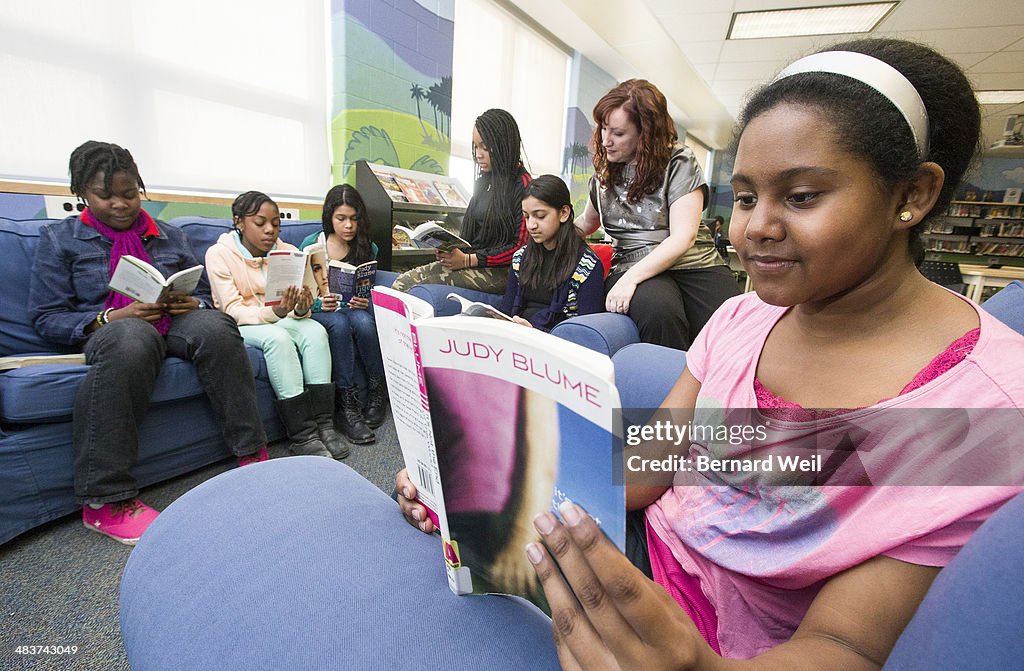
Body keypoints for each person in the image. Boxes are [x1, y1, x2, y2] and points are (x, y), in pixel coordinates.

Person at [399, 39, 1024, 667]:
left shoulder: (984, 412)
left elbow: (846, 644)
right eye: (747, 197)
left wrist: (702, 666)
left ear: (912, 194)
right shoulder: (740, 318)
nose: (754, 228)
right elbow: (648, 465)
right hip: (644, 549)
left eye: (802, 196)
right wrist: (473, 488)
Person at [28, 141, 269, 545]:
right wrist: (109, 317)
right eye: (105, 196)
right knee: (133, 337)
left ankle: (252, 454)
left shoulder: (170, 235)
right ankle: (106, 501)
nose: (120, 205)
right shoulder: (60, 239)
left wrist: (196, 302)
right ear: (82, 193)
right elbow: (47, 318)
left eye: (129, 194)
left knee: (217, 327)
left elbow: (206, 294)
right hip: (112, 327)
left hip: (173, 320)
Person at [577, 79, 739, 350]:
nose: (606, 140)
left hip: (693, 262)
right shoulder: (604, 172)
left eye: (617, 133)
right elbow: (587, 223)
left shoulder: (678, 161)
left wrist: (630, 281)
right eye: (604, 128)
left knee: (733, 323)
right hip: (631, 260)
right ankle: (670, 387)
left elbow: (683, 238)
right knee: (660, 313)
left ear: (646, 134)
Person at [206, 191, 346, 460]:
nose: (270, 230)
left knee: (316, 332)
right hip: (244, 322)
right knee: (277, 339)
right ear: (239, 222)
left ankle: (325, 426)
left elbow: (300, 313)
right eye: (260, 223)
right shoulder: (219, 254)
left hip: (281, 317)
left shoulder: (290, 253)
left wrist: (303, 305)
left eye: (276, 223)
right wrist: (275, 312)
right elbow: (232, 310)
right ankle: (303, 436)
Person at [392, 108, 531, 295]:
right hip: (474, 262)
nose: (479, 154)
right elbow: (472, 237)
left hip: (503, 272)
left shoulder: (523, 186)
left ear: (503, 145)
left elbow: (520, 248)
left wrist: (468, 260)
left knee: (414, 287)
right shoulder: (484, 182)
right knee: (402, 282)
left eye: (485, 147)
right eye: (476, 147)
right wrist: (449, 250)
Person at [299, 184, 386, 446]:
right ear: (329, 217)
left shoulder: (367, 247)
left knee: (362, 321)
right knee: (338, 322)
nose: (348, 225)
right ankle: (347, 405)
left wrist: (365, 301)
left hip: (353, 309)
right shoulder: (312, 245)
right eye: (341, 218)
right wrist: (317, 304)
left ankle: (375, 392)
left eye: (354, 218)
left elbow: (370, 289)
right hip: (325, 312)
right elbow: (302, 293)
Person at [500, 174, 604, 331]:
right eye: (526, 217)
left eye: (540, 216)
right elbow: (506, 310)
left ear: (564, 213)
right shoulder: (520, 258)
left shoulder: (586, 266)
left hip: (557, 344)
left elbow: (586, 332)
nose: (531, 225)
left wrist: (538, 333)